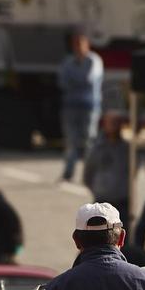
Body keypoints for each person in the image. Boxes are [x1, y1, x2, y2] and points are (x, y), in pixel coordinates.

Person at [57, 33, 103, 182]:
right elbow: (62, 82)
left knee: (89, 139)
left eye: (81, 43)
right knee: (71, 141)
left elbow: (89, 79)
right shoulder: (68, 61)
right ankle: (68, 172)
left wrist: (74, 81)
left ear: (87, 44)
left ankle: (89, 173)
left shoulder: (94, 60)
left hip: (89, 106)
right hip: (71, 106)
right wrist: (78, 81)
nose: (78, 47)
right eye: (75, 44)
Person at [81, 112, 132, 220]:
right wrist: (99, 189)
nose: (114, 126)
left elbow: (133, 172)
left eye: (117, 123)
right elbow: (88, 174)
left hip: (122, 201)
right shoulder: (96, 147)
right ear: (104, 125)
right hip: (102, 200)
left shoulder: (127, 148)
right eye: (111, 123)